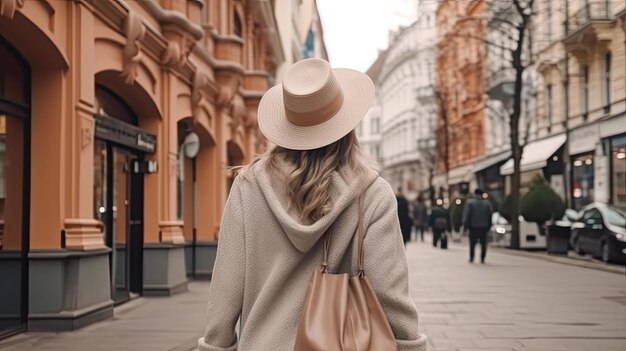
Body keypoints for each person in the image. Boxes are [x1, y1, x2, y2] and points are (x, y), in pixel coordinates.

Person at [197, 58, 426, 350]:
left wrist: (217, 344)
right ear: (347, 126)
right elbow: (389, 295)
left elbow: (225, 292)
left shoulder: (249, 186)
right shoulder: (371, 193)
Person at [463, 188, 493, 263]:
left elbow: (467, 216)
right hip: (484, 226)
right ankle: (482, 258)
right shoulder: (487, 204)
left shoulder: (470, 203)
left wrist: (465, 227)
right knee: (483, 244)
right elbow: (490, 215)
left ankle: (472, 257)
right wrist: (489, 225)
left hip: (473, 227)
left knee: (472, 244)